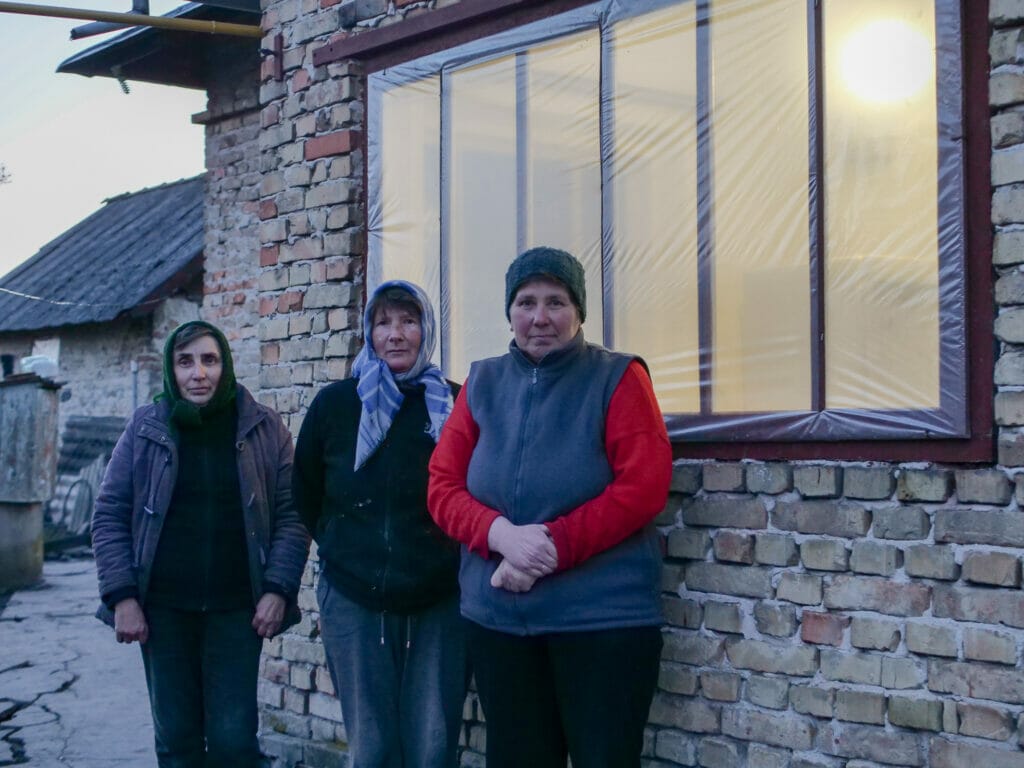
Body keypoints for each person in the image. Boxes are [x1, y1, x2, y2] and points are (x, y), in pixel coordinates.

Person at [427, 246, 672, 768]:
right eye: (526, 302)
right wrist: (500, 535)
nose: (540, 317)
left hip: (601, 623)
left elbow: (643, 487)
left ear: (579, 311)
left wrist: (549, 548)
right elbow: (442, 486)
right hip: (500, 625)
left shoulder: (618, 378)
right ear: (510, 312)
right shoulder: (482, 382)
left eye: (556, 302)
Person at [92, 320, 310, 768]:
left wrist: (278, 588)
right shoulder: (146, 428)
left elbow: (294, 515)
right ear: (171, 370)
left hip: (236, 611)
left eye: (209, 361)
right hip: (163, 612)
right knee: (176, 743)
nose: (198, 374)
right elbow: (109, 514)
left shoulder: (263, 428)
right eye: (185, 362)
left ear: (225, 365)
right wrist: (122, 597)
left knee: (234, 743)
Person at [293, 280, 466, 768]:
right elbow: (305, 492)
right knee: (371, 749)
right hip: (354, 599)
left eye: (408, 321)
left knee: (433, 746)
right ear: (368, 331)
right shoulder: (336, 405)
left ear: (426, 329)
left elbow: (474, 490)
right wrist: (340, 544)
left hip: (439, 600)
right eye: (383, 322)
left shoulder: (454, 405)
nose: (396, 334)